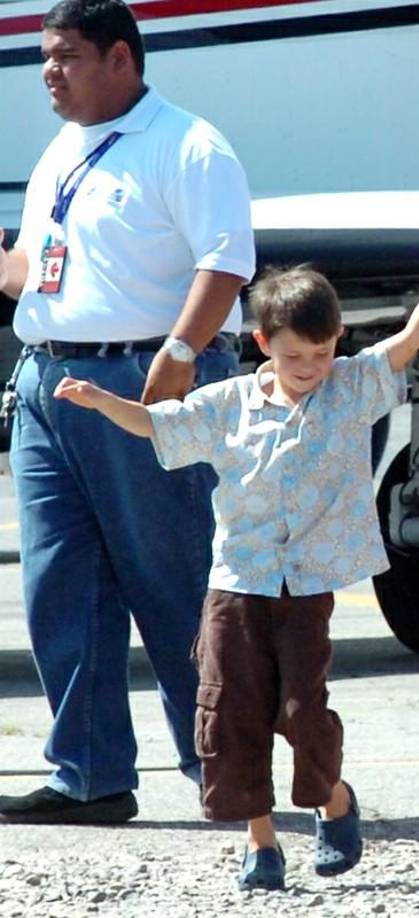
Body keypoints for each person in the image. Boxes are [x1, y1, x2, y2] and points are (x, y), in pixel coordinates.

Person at [51, 251, 419, 889]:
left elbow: (412, 335)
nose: (309, 370)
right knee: (230, 711)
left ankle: (334, 799)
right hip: (236, 582)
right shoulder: (229, 404)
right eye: (294, 356)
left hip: (306, 587)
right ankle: (261, 843)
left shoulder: (352, 387)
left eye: (322, 353)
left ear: (338, 342)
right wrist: (97, 399)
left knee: (303, 712)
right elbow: (158, 425)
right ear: (262, 344)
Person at [0, 0, 255, 824]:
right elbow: (30, 275)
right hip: (51, 387)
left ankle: (219, 769)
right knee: (59, 588)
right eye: (44, 55)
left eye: (65, 55)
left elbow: (227, 264)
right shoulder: (61, 152)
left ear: (120, 57)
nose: (48, 70)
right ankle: (90, 775)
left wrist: (177, 361)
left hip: (144, 383)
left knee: (173, 581)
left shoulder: (186, 143)